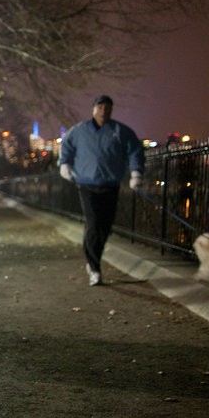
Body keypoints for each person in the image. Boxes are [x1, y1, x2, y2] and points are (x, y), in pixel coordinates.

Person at [58, 95, 145, 286]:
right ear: (93, 109)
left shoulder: (121, 131)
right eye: (100, 107)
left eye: (107, 108)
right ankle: (94, 267)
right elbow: (66, 146)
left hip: (111, 185)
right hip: (86, 184)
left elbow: (135, 151)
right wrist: (64, 164)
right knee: (93, 222)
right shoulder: (79, 130)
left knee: (105, 226)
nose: (103, 111)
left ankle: (93, 258)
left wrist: (136, 173)